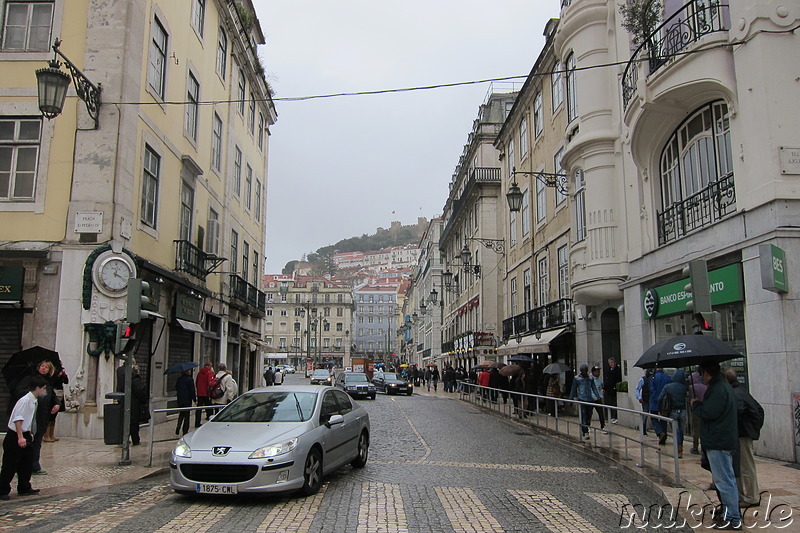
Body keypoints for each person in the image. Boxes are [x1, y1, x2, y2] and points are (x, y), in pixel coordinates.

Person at [690, 361, 741, 530]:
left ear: (706, 373)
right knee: (726, 479)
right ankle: (728, 511)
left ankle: (733, 518)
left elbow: (709, 412)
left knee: (724, 481)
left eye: (702, 373)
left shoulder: (718, 389)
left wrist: (696, 405)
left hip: (719, 441)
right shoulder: (723, 386)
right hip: (723, 439)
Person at [0, 375, 48, 501]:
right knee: (10, 463)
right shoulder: (25, 400)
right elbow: (18, 419)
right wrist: (20, 436)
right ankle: (2, 489)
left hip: (25, 433)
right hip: (15, 434)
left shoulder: (34, 401)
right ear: (37, 388)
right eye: (43, 388)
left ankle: (24, 486)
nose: (45, 391)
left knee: (26, 462)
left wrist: (29, 432)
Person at [724, 369, 764, 506]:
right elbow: (759, 410)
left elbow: (737, 413)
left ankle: (752, 497)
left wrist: (751, 430)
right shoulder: (741, 391)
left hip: (742, 435)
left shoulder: (736, 394)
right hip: (743, 434)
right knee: (740, 466)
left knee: (746, 467)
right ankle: (742, 496)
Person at [13, 360, 60, 475]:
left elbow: (52, 396)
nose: (43, 369)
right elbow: (19, 392)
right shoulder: (31, 380)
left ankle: (35, 466)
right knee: (27, 443)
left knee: (37, 442)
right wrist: (34, 393)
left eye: (46, 367)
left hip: (42, 417)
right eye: (42, 366)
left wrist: (57, 404)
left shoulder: (48, 383)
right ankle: (20, 466)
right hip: (31, 417)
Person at [657, 369, 688, 457]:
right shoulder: (684, 387)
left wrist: (660, 409)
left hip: (672, 411)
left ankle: (677, 448)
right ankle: (680, 447)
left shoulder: (668, 387)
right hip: (683, 410)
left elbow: (660, 398)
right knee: (681, 431)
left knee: (676, 430)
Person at [569, 363, 600, 440]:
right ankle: (585, 431)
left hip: (589, 399)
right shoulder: (577, 378)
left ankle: (586, 427)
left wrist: (598, 396)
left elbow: (593, 388)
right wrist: (571, 399)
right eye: (583, 370)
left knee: (589, 415)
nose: (585, 372)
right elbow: (573, 389)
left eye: (586, 370)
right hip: (582, 399)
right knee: (583, 415)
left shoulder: (590, 378)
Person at [44, 366, 68, 442]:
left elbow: (66, 382)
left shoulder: (61, 372)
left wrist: (64, 375)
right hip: (53, 393)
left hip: (59, 393)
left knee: (54, 416)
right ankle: (46, 435)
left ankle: (51, 434)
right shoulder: (51, 374)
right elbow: (51, 383)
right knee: (50, 414)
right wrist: (56, 376)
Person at [649, 366, 671, 445]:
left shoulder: (653, 378)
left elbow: (652, 390)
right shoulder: (668, 378)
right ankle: (663, 435)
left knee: (654, 418)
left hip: (654, 403)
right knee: (663, 420)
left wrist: (657, 399)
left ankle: (660, 432)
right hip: (665, 403)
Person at [688, 370, 707, 454]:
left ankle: (695, 447)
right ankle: (704, 448)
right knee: (703, 429)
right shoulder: (705, 386)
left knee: (696, 430)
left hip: (696, 410)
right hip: (704, 409)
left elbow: (691, 399)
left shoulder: (692, 387)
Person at [129, 364, 149, 446]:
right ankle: (135, 440)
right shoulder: (136, 381)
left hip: (131, 404)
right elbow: (140, 392)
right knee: (134, 423)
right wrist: (144, 400)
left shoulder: (129, 379)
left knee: (131, 423)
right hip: (135, 405)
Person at [175, 368, 196, 436]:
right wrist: (194, 399)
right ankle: (185, 430)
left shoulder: (179, 379)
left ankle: (178, 427)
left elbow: (176, 387)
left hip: (180, 399)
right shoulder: (190, 379)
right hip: (187, 400)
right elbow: (192, 391)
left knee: (181, 414)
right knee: (187, 416)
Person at [195, 362, 214, 428]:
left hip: (200, 393)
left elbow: (197, 382)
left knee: (199, 409)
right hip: (207, 393)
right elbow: (210, 383)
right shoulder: (210, 372)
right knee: (209, 409)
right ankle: (210, 422)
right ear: (210, 366)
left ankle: (197, 422)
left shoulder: (199, 372)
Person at [603, 357, 622, 423]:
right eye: (610, 363)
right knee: (610, 403)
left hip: (614, 389)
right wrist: (604, 388)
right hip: (609, 389)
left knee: (614, 403)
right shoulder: (608, 370)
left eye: (612, 362)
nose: (611, 364)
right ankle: (611, 416)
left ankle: (614, 416)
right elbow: (607, 380)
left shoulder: (617, 370)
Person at [590, 365, 606, 432]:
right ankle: (588, 426)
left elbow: (600, 388)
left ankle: (603, 426)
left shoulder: (599, 379)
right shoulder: (590, 379)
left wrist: (601, 396)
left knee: (601, 413)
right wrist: (594, 397)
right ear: (593, 372)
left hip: (598, 399)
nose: (598, 373)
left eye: (599, 372)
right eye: (597, 372)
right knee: (589, 413)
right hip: (591, 399)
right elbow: (590, 389)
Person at [635, 369, 652, 436]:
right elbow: (637, 389)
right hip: (645, 400)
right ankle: (643, 430)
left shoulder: (653, 379)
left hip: (651, 399)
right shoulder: (642, 380)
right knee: (645, 415)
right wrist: (639, 397)